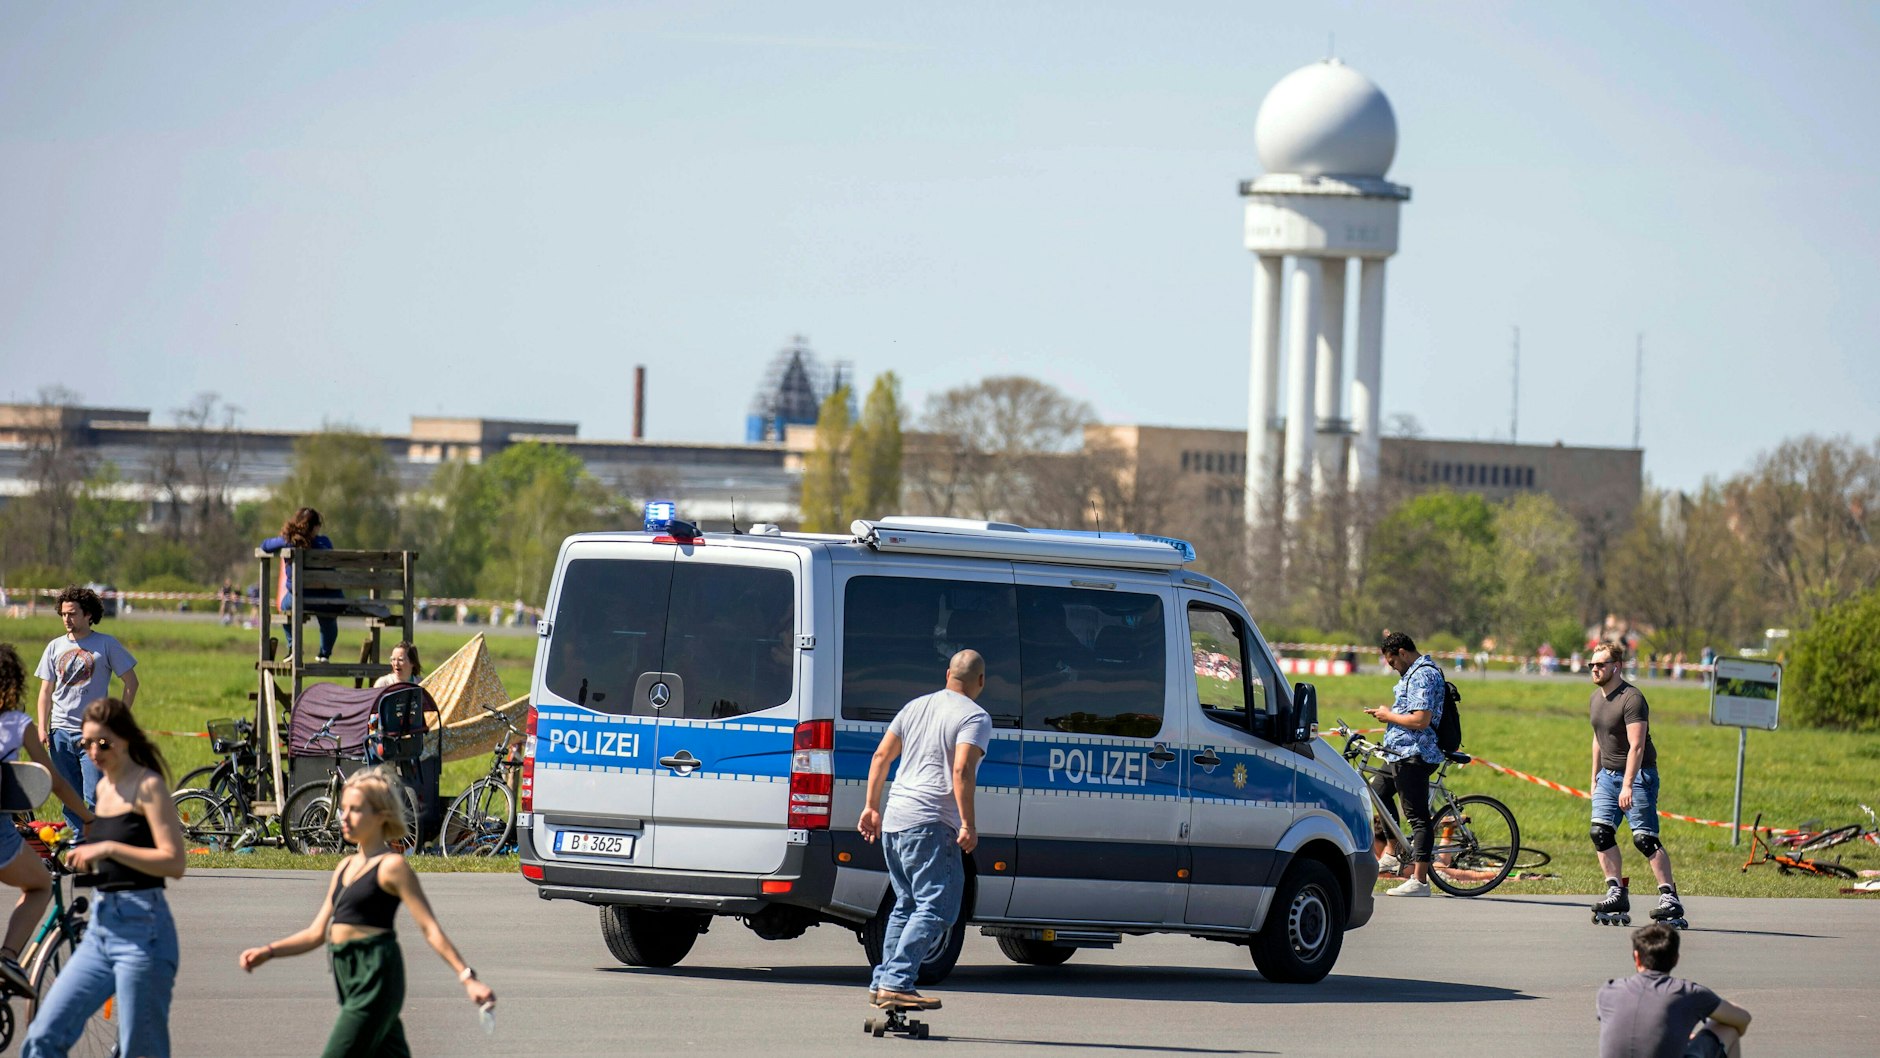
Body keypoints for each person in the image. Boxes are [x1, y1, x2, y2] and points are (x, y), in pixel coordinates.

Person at [239, 765, 497, 1057]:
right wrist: (268, 951)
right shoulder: (344, 867)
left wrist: (468, 978)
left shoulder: (392, 867)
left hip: (375, 975)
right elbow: (315, 933)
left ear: (380, 815)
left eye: (355, 810)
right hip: (347, 975)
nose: (344, 817)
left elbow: (430, 929)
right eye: (343, 809)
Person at [21, 697, 186, 1058]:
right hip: (100, 926)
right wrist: (81, 856)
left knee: (138, 1050)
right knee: (42, 1038)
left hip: (144, 930)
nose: (93, 752)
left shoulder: (148, 786)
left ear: (124, 739)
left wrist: (107, 850)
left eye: (103, 743)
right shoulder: (103, 790)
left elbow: (174, 862)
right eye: (86, 744)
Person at [858, 649, 992, 1010]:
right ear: (980, 681)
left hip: (896, 820)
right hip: (931, 823)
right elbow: (962, 770)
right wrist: (968, 824)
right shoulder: (975, 716)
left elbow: (881, 757)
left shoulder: (914, 706)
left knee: (907, 904)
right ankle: (897, 982)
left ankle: (884, 982)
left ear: (948, 673)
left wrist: (871, 806)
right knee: (938, 907)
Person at [0, 644, 94, 995]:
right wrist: (86, 816)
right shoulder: (16, 724)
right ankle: (9, 957)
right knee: (40, 884)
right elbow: (50, 777)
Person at [1587, 642, 1686, 927]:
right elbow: (1598, 738)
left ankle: (1670, 898)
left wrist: (1628, 784)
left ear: (1615, 667)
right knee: (1600, 833)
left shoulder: (1632, 698)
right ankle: (1616, 891)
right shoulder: (1596, 698)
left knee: (1644, 838)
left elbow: (1637, 747)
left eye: (1601, 664)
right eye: (1592, 664)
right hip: (1607, 775)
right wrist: (1594, 776)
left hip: (1639, 775)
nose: (1595, 668)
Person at [34, 585, 138, 836]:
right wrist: (41, 726)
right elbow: (46, 692)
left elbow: (131, 683)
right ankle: (80, 849)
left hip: (93, 735)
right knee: (70, 799)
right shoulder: (54, 646)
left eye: (72, 613)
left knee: (95, 796)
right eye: (63, 614)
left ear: (88, 614)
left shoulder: (106, 644)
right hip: (60, 732)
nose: (67, 619)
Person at [1364, 630, 1446, 897]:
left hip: (1416, 754)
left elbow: (1421, 720)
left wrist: (1388, 716)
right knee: (1378, 792)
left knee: (1417, 816)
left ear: (1402, 653)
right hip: (1398, 752)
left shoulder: (1422, 674)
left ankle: (1420, 881)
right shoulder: (1411, 673)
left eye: (1393, 662)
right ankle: (1392, 851)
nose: (1392, 668)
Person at [1597, 923, 1751, 1057]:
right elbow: (1743, 1019)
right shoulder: (1688, 992)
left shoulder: (1608, 990)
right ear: (1676, 958)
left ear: (1636, 957)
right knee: (1729, 1028)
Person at [260, 506, 340, 664]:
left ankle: (294, 647)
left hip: (300, 598)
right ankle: (324, 654)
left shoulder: (289, 541)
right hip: (329, 597)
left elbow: (265, 545)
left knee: (284, 606)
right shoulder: (325, 542)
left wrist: (285, 537)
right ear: (315, 527)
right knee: (328, 616)